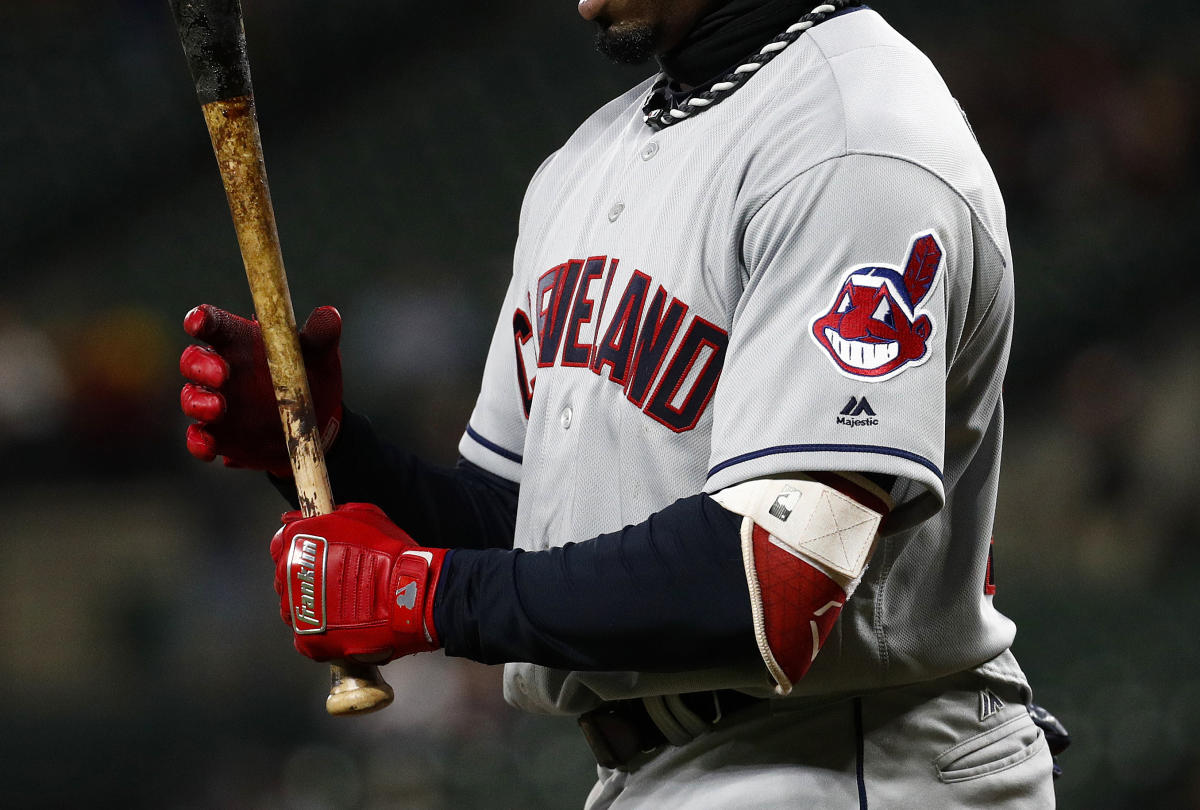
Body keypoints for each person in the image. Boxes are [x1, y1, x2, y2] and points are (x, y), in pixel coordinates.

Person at [180, 1, 1062, 806]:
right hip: (655, 772)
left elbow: (777, 582)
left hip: (855, 760)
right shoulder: (584, 163)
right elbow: (522, 536)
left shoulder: (854, 138)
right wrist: (324, 449)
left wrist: (426, 596)